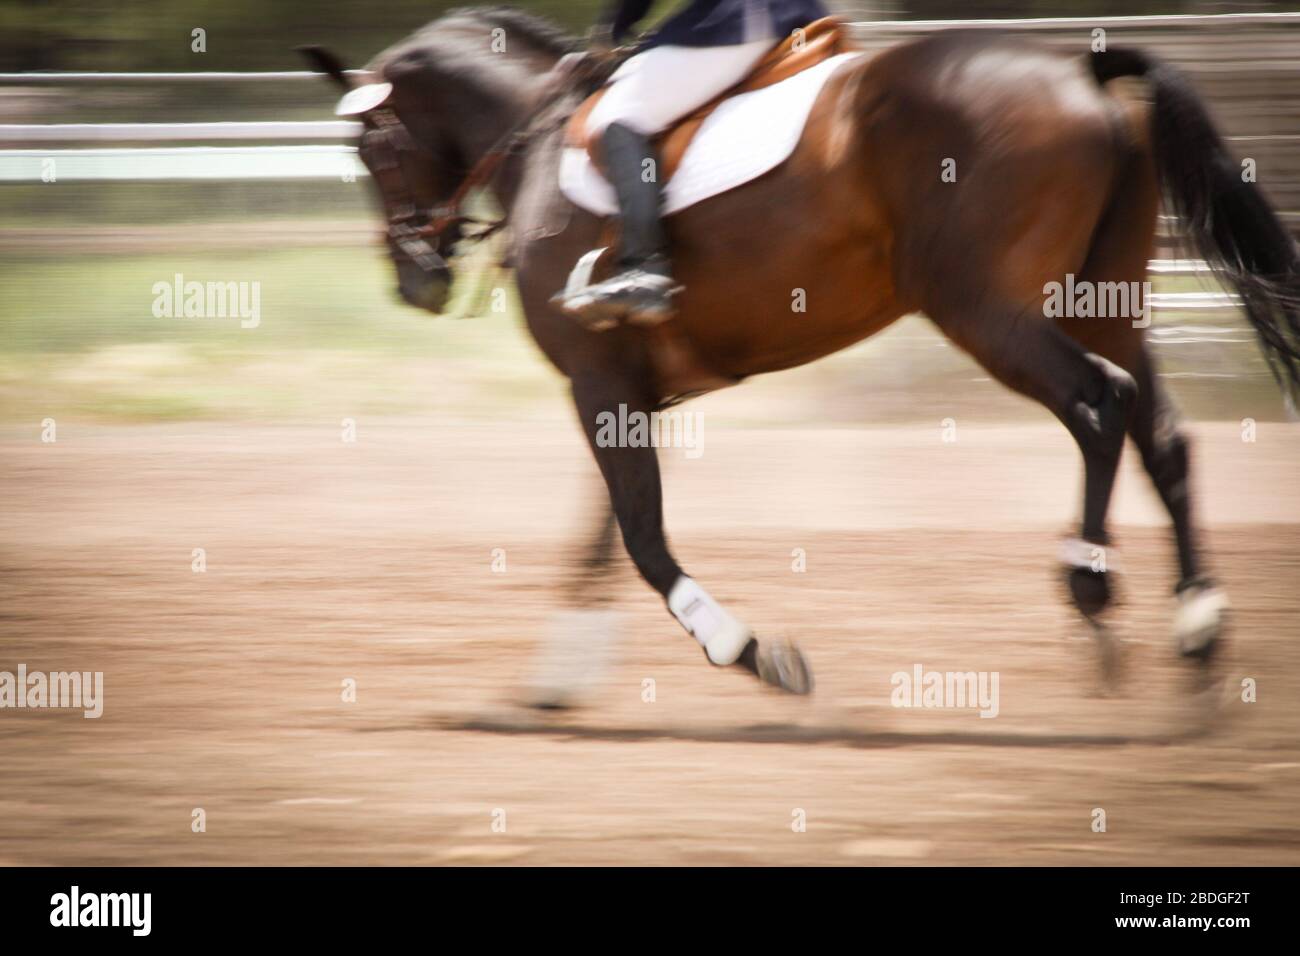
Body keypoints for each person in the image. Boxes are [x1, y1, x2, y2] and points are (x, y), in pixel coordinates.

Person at [553, 0, 830, 329]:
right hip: (803, 16)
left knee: (615, 117)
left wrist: (612, 31)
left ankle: (643, 271)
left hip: (741, 20)